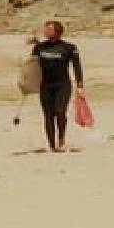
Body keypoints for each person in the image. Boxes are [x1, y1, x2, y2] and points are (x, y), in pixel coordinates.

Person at [31, 20, 84, 152]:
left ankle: (61, 137)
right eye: (45, 29)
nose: (46, 31)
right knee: (48, 115)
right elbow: (31, 67)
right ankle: (51, 144)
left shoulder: (69, 48)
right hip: (45, 86)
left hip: (63, 85)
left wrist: (80, 85)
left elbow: (77, 67)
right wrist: (27, 86)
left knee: (60, 112)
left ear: (57, 31)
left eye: (49, 29)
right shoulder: (39, 48)